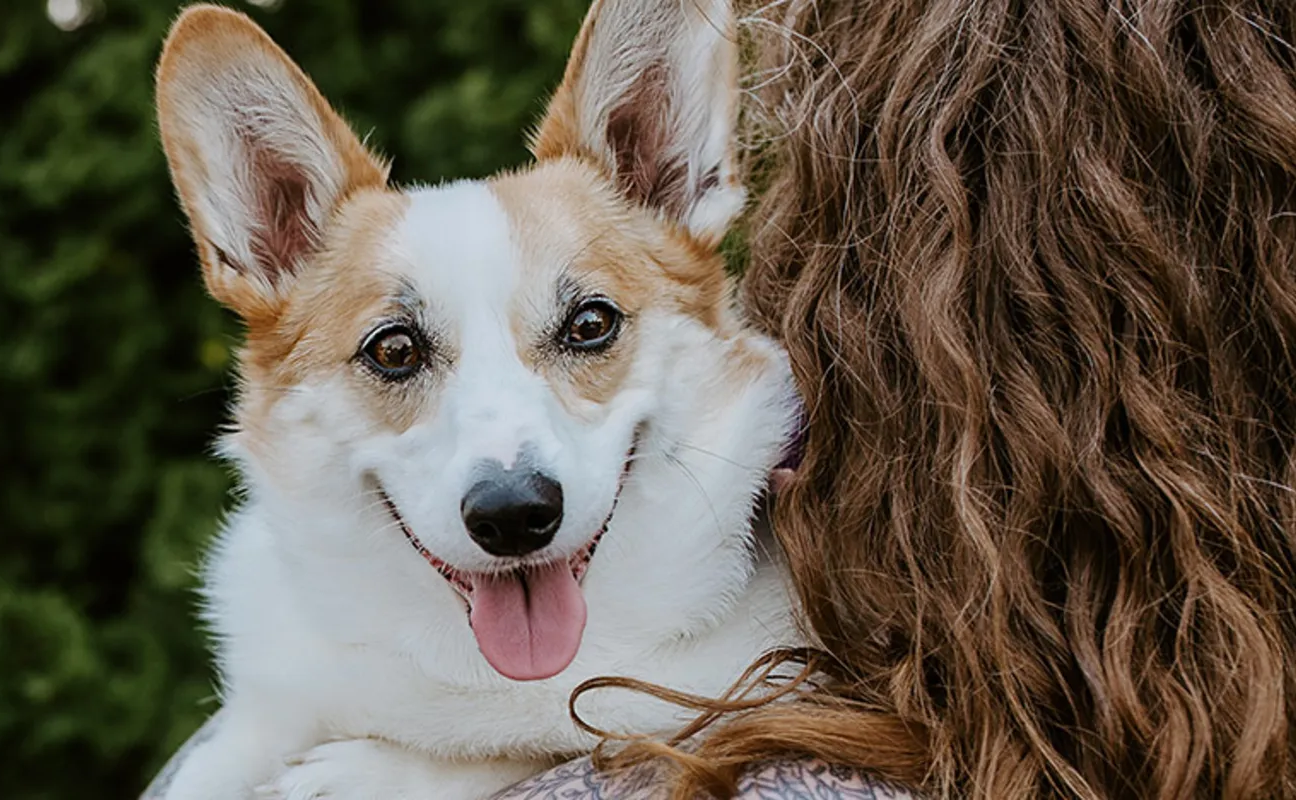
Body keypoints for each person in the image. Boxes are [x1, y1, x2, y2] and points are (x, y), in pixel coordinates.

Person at [148, 0, 1296, 796]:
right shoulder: (274, 640)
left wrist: (451, 775)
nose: (509, 474)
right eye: (397, 352)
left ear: (675, 180)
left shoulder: (843, 607)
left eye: (585, 328)